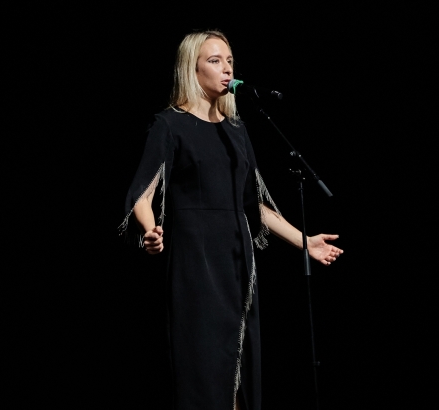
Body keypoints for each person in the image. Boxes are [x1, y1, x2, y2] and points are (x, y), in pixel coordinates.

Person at [118, 29, 343, 410]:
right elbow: (143, 192)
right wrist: (149, 229)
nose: (227, 69)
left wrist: (305, 241)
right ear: (192, 68)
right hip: (196, 260)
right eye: (214, 60)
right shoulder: (169, 125)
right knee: (205, 364)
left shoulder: (236, 131)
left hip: (238, 261)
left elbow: (255, 206)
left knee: (241, 368)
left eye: (230, 61)